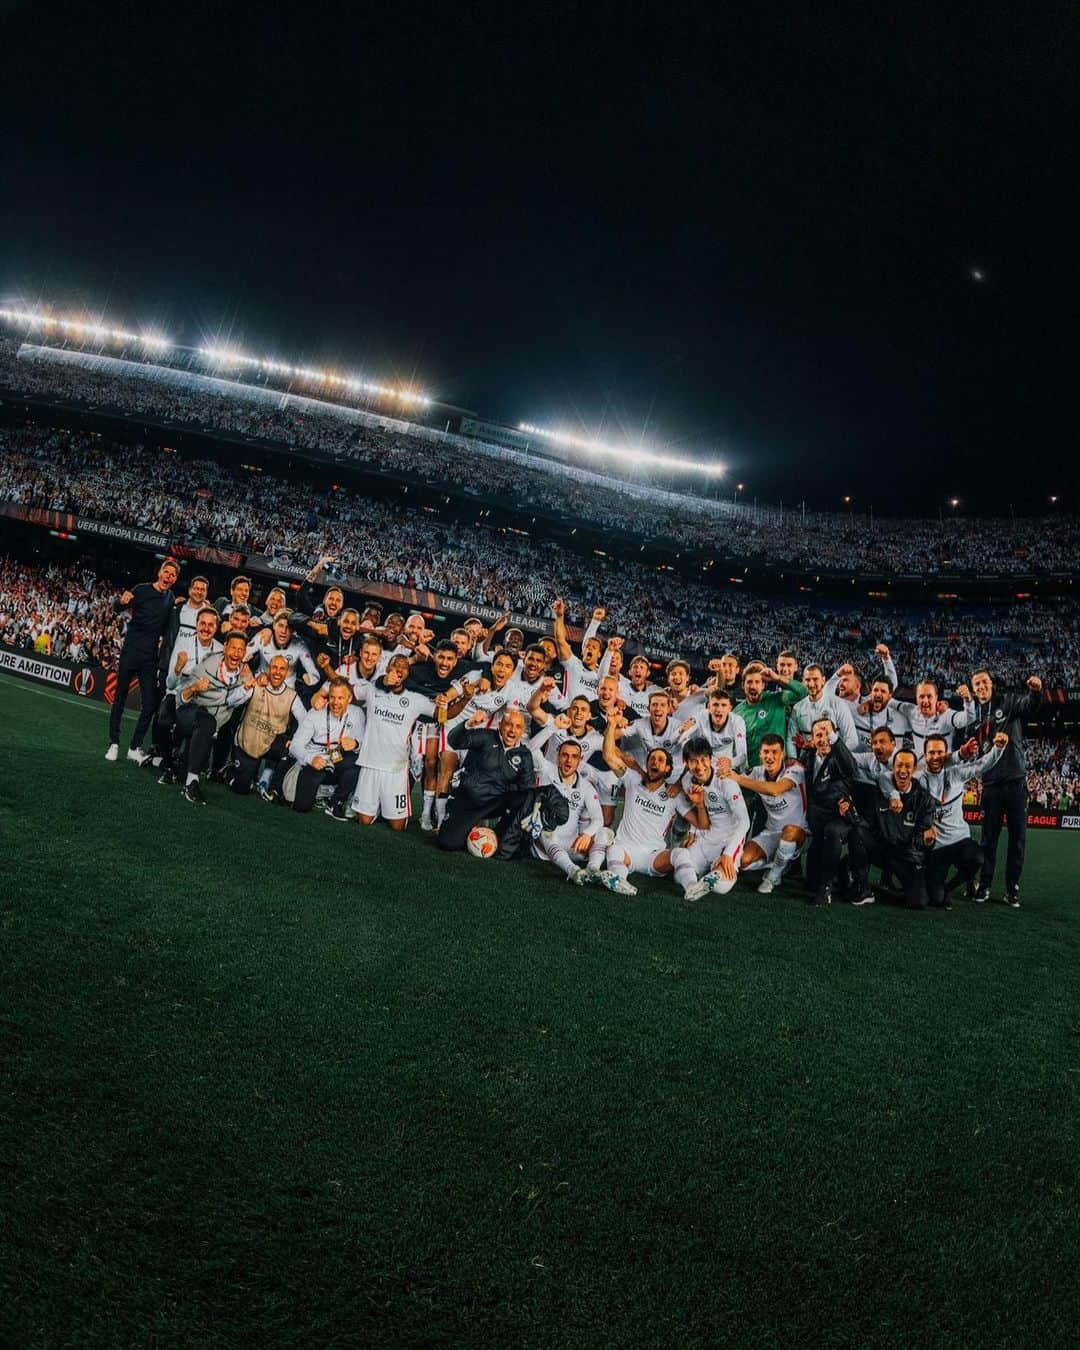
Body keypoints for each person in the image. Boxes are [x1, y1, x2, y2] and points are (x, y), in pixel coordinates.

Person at [967, 670, 1043, 905]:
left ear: (992, 684)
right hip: (990, 785)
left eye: (984, 682)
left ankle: (1012, 889)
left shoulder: (1008, 702)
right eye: (977, 684)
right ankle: (986, 885)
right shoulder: (973, 715)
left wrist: (1035, 691)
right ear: (973, 688)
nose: (981, 687)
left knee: (1017, 839)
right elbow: (972, 746)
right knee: (988, 839)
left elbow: (1030, 706)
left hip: (1015, 782)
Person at [350, 654, 450, 829]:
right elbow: (348, 691)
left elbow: (441, 714)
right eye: (396, 665)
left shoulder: (415, 698)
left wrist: (462, 699)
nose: (399, 669)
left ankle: (384, 803)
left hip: (396, 769)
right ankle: (375, 804)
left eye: (404, 666)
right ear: (388, 668)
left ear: (408, 673)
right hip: (370, 763)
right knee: (364, 821)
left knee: (397, 826)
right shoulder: (373, 688)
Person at [919, 732, 1009, 907]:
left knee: (976, 858)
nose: (936, 757)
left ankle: (949, 887)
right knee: (935, 899)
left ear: (946, 755)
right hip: (936, 846)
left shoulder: (957, 773)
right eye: (931, 753)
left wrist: (998, 748)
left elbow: (982, 765)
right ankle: (940, 890)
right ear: (925, 755)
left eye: (940, 753)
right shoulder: (918, 779)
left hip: (960, 839)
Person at [106, 557, 181, 764]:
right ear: (159, 573)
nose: (169, 577)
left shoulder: (170, 598)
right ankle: (113, 743)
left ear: (175, 579)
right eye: (166, 572)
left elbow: (169, 625)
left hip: (150, 659)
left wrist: (179, 606)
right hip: (131, 652)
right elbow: (117, 608)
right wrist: (120, 601)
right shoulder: (141, 589)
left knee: (150, 705)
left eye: (173, 575)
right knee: (119, 699)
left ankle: (133, 747)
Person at [594, 713, 680, 895]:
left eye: (661, 760)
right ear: (646, 764)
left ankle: (692, 887)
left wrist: (694, 833)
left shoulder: (674, 793)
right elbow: (609, 756)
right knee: (614, 850)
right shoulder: (632, 779)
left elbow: (700, 822)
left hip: (653, 856)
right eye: (652, 759)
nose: (655, 762)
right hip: (625, 849)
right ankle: (620, 881)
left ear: (668, 769)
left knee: (681, 854)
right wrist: (611, 725)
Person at [717, 733, 808, 894]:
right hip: (771, 833)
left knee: (789, 831)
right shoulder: (757, 772)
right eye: (766, 752)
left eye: (774, 752)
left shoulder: (795, 770)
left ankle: (774, 876)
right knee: (744, 861)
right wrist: (722, 771)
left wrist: (737, 778)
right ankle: (779, 862)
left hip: (799, 833)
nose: (770, 757)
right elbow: (731, 780)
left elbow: (775, 790)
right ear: (760, 754)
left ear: (782, 754)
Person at [437, 708, 537, 852]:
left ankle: (503, 835)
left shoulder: (524, 755)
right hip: (469, 800)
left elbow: (528, 788)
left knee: (528, 797)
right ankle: (467, 827)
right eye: (508, 724)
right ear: (500, 725)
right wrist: (468, 724)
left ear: (522, 732)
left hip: (495, 803)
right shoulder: (486, 736)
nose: (512, 730)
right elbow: (454, 741)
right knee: (448, 843)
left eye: (518, 727)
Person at [174, 631, 253, 805]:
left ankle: (180, 764)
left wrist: (246, 688)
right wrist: (195, 687)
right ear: (225, 648)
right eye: (233, 647)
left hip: (210, 727)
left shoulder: (245, 675)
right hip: (188, 715)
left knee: (181, 769)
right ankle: (191, 783)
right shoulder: (208, 665)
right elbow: (180, 696)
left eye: (241, 650)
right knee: (206, 721)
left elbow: (233, 701)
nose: (236, 653)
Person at [799, 717, 868, 906]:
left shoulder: (840, 756)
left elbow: (852, 769)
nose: (823, 739)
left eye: (827, 734)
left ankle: (826, 888)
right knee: (810, 883)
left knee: (832, 832)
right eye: (818, 735)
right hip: (817, 818)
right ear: (812, 739)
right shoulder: (808, 756)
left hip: (840, 817)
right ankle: (841, 871)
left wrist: (833, 737)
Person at [670, 737, 750, 901]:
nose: (699, 767)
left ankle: (713, 873)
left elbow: (744, 821)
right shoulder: (687, 781)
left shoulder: (725, 781)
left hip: (729, 838)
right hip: (707, 834)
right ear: (686, 763)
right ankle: (694, 885)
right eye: (693, 761)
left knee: (721, 887)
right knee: (678, 877)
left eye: (703, 760)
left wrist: (728, 853)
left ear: (710, 758)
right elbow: (698, 806)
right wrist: (693, 832)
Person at [526, 727, 606, 883]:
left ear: (580, 760)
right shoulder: (545, 769)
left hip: (572, 846)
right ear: (557, 757)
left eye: (574, 757)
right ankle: (574, 871)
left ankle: (593, 869)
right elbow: (530, 749)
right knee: (546, 831)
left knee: (605, 833)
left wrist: (586, 834)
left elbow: (598, 819)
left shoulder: (586, 787)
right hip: (544, 846)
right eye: (565, 755)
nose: (569, 760)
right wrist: (551, 726)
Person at [863, 750, 938, 910]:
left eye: (908, 766)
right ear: (893, 767)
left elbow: (920, 840)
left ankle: (885, 889)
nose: (903, 771)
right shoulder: (879, 792)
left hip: (906, 855)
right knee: (859, 834)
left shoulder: (925, 800)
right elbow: (869, 823)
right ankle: (856, 877)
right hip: (881, 849)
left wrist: (927, 841)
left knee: (919, 901)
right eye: (899, 766)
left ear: (915, 769)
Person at [155, 605, 222, 782]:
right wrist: (177, 668)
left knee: (186, 770)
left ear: (216, 628)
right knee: (162, 718)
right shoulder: (182, 645)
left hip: (202, 705)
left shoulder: (221, 651)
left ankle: (182, 761)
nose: (206, 628)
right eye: (202, 623)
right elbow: (170, 684)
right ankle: (168, 764)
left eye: (210, 625)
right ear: (196, 624)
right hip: (178, 698)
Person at [287, 677, 363, 815]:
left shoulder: (357, 713)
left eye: (341, 698)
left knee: (356, 762)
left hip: (335, 757)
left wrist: (356, 743)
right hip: (315, 761)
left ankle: (335, 801)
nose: (335, 702)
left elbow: (362, 742)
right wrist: (311, 759)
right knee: (301, 806)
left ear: (349, 698)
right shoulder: (315, 713)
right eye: (332, 697)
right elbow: (295, 745)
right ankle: (322, 790)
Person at [228, 654, 301, 797]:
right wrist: (245, 687)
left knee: (293, 750)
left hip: (271, 741)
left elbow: (305, 721)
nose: (277, 672)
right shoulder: (256, 684)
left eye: (282, 669)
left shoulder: (292, 696)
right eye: (274, 667)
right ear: (268, 669)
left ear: (287, 672)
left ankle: (270, 784)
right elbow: (230, 702)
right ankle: (231, 771)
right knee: (242, 789)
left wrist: (295, 740)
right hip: (248, 741)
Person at [733, 662, 808, 769]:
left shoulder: (777, 699)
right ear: (742, 685)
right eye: (749, 682)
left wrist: (777, 678)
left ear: (763, 685)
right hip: (752, 771)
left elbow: (802, 692)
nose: (753, 686)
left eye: (757, 682)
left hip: (778, 769)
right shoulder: (737, 712)